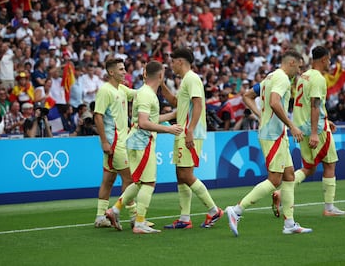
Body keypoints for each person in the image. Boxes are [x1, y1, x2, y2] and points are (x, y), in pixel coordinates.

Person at [225, 49, 312, 236]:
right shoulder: (281, 78)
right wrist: (292, 125)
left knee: (289, 176)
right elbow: (274, 102)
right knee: (274, 180)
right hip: (273, 135)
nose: (299, 70)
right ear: (291, 63)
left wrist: (260, 115)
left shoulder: (270, 76)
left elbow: (247, 95)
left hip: (275, 133)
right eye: (299, 66)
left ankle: (289, 223)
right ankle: (237, 210)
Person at [269, 46, 345, 218]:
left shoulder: (303, 76)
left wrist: (326, 119)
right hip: (316, 129)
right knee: (330, 164)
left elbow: (307, 104)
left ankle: (282, 194)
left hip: (301, 126)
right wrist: (315, 131)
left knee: (309, 167)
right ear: (324, 59)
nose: (329, 63)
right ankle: (329, 207)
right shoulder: (319, 79)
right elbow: (314, 105)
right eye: (329, 60)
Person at [106, 61, 183, 234]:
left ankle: (115, 210)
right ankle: (139, 222)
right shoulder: (148, 95)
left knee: (139, 182)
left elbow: (149, 119)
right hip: (142, 143)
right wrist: (168, 129)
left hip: (136, 142)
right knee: (149, 183)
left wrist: (171, 115)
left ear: (145, 74)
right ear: (161, 76)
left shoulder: (145, 93)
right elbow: (143, 123)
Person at [161, 47, 224, 229]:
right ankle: (184, 218)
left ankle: (214, 211)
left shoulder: (192, 79)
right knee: (180, 175)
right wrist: (162, 85)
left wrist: (190, 130)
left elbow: (198, 104)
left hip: (190, 132)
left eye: (173, 61)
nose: (172, 65)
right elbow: (176, 104)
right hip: (184, 131)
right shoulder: (186, 81)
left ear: (180, 61)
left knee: (185, 174)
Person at [93, 58, 137, 228]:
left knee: (108, 179)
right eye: (121, 69)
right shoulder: (105, 91)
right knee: (130, 179)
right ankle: (134, 217)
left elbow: (139, 94)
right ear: (111, 72)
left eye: (124, 68)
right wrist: (104, 141)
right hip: (114, 142)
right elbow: (98, 116)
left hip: (120, 141)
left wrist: (153, 80)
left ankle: (100, 217)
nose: (124, 72)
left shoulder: (122, 88)